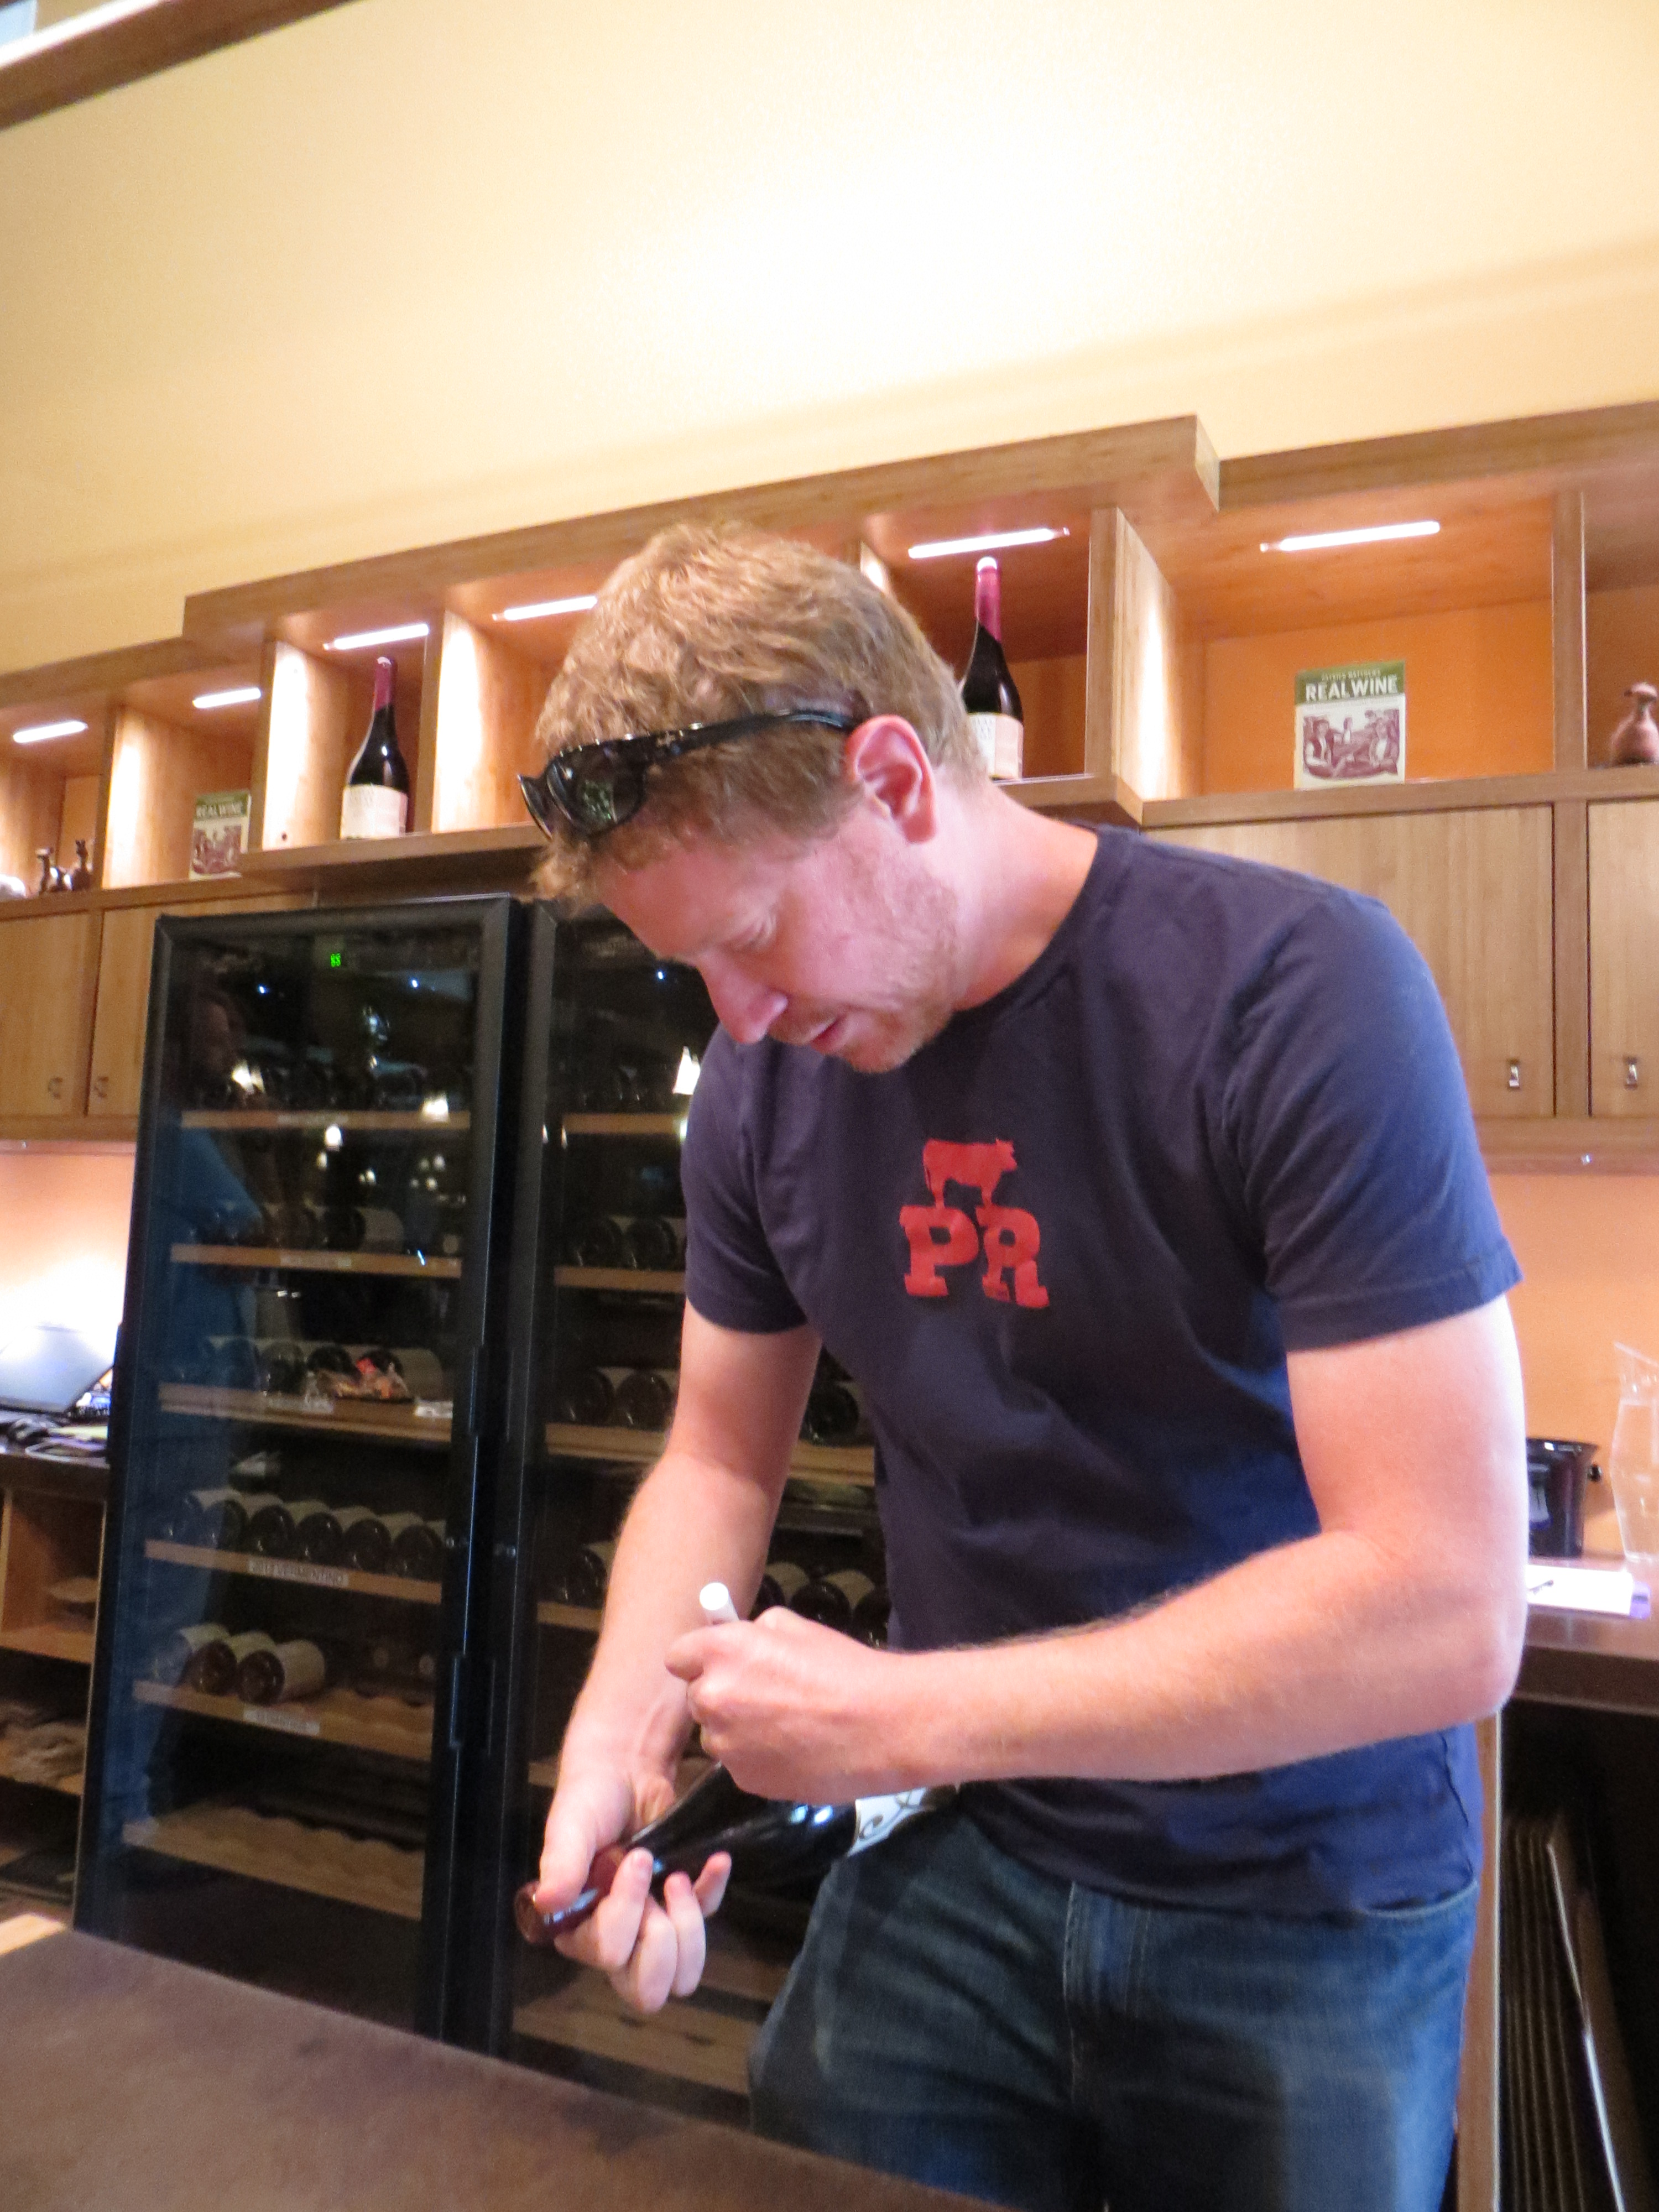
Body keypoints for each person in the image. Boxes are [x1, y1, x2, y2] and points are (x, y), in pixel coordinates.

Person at [521, 523, 1528, 2212]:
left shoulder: (1296, 993)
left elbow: (1447, 1606)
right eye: (691, 968)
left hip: (1303, 1896)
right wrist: (623, 1749)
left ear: (895, 780)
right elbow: (718, 1457)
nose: (735, 1019)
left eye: (755, 934)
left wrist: (901, 1717)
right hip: (966, 1855)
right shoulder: (765, 1091)